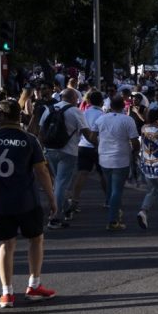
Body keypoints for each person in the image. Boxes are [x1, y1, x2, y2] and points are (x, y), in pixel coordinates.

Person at [0, 99, 57, 307]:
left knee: (6, 244)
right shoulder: (29, 139)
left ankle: (7, 293)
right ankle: (34, 285)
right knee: (35, 239)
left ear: (1, 116)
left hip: (0, 200)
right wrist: (52, 198)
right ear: (18, 116)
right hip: (27, 199)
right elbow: (41, 171)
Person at [37, 88, 90, 230]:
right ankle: (54, 217)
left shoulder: (49, 109)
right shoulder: (75, 111)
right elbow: (86, 132)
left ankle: (65, 208)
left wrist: (41, 149)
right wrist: (98, 144)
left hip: (50, 150)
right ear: (73, 98)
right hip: (69, 151)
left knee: (58, 181)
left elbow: (41, 130)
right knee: (61, 183)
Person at [94, 95, 140, 231]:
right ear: (124, 106)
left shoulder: (101, 119)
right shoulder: (128, 120)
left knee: (110, 187)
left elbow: (93, 136)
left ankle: (115, 210)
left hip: (104, 157)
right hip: (121, 158)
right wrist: (134, 152)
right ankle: (113, 220)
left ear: (110, 106)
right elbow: (135, 141)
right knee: (117, 190)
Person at [66, 89, 107, 222]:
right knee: (103, 174)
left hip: (83, 146)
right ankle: (108, 199)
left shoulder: (83, 112)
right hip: (98, 146)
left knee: (82, 173)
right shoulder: (103, 114)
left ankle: (75, 200)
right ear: (101, 102)